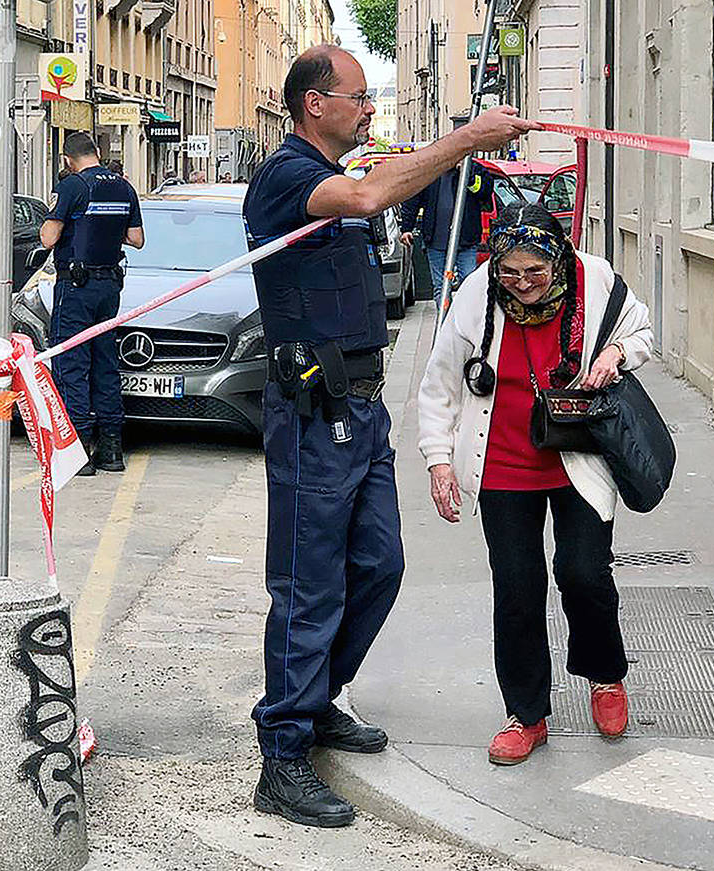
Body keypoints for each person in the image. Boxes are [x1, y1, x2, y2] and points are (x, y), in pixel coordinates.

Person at [242, 43, 538, 828]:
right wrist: (466, 139)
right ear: (315, 103)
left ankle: (316, 699)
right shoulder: (288, 176)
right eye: (358, 95)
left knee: (380, 564)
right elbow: (372, 196)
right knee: (307, 585)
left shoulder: (333, 171)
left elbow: (378, 180)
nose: (369, 107)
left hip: (359, 412)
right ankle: (283, 751)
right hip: (311, 414)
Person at [417, 203, 653, 766]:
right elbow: (440, 382)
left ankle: (604, 675)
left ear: (558, 260)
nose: (522, 285)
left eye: (535, 273)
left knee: (583, 574)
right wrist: (439, 460)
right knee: (517, 590)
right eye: (510, 273)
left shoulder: (595, 280)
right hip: (501, 463)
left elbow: (641, 329)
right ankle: (526, 714)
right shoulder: (476, 294)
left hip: (578, 458)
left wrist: (617, 353)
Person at [40, 132, 145, 476]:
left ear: (67, 160)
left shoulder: (72, 186)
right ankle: (112, 448)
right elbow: (137, 239)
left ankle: (79, 448)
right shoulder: (124, 187)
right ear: (97, 153)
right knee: (105, 364)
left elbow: (48, 237)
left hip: (76, 287)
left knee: (71, 364)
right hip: (109, 287)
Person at [399, 161, 493, 292]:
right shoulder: (430, 170)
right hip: (436, 241)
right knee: (441, 286)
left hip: (465, 241)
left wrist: (467, 173)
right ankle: (444, 312)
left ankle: (464, 312)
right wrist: (406, 228)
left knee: (468, 284)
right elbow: (412, 200)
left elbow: (484, 192)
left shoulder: (474, 169)